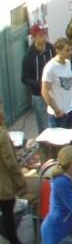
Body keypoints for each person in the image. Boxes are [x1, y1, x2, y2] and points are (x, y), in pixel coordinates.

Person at [0, 98, 26, 244]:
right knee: (7, 214)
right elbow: (11, 162)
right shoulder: (2, 134)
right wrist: (21, 182)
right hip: (3, 184)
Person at [22, 22, 55, 133]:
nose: (44, 37)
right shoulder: (28, 56)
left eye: (44, 34)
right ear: (33, 38)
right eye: (41, 35)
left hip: (54, 91)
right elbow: (25, 78)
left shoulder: (51, 49)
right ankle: (45, 147)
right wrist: (42, 84)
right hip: (39, 95)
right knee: (44, 125)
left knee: (56, 120)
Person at [42, 38, 72, 129]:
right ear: (58, 51)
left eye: (71, 49)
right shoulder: (50, 68)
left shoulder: (68, 63)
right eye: (67, 50)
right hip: (58, 114)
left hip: (70, 110)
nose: (71, 52)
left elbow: (70, 85)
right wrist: (57, 111)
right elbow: (45, 92)